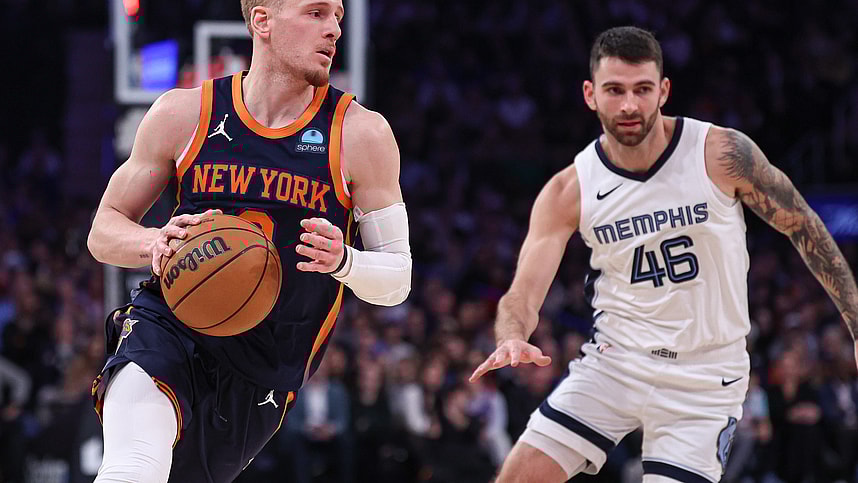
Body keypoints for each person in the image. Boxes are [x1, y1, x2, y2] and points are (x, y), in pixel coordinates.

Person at [470, 26, 858, 483]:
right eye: (615, 90)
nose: (630, 105)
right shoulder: (569, 189)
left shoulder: (720, 153)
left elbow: (803, 224)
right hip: (615, 363)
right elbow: (522, 294)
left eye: (642, 89)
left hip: (705, 375)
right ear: (591, 94)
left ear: (664, 91)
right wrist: (511, 334)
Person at [86, 0, 412, 481]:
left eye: (338, 18)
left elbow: (398, 279)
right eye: (316, 13)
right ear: (262, 21)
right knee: (133, 463)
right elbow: (103, 229)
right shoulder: (186, 112)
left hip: (265, 368)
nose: (334, 31)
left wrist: (345, 261)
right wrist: (153, 242)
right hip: (170, 323)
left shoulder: (361, 134)